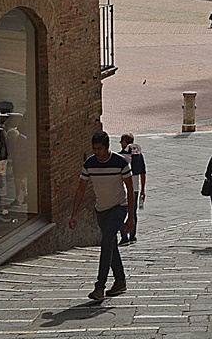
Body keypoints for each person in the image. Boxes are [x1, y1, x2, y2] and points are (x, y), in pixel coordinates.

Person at [69, 129, 135, 302]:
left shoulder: (120, 163)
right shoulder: (90, 164)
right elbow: (81, 189)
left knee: (106, 242)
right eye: (94, 148)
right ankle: (120, 281)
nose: (96, 152)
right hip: (101, 210)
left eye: (99, 149)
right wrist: (74, 213)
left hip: (118, 208)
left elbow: (130, 188)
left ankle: (100, 286)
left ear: (107, 147)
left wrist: (131, 217)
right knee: (110, 243)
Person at [118, 134, 146, 244]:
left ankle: (124, 236)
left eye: (121, 141)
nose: (120, 143)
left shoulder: (121, 156)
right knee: (133, 212)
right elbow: (143, 173)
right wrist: (143, 189)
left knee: (120, 213)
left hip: (124, 189)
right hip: (135, 188)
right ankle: (132, 236)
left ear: (124, 142)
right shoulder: (138, 155)